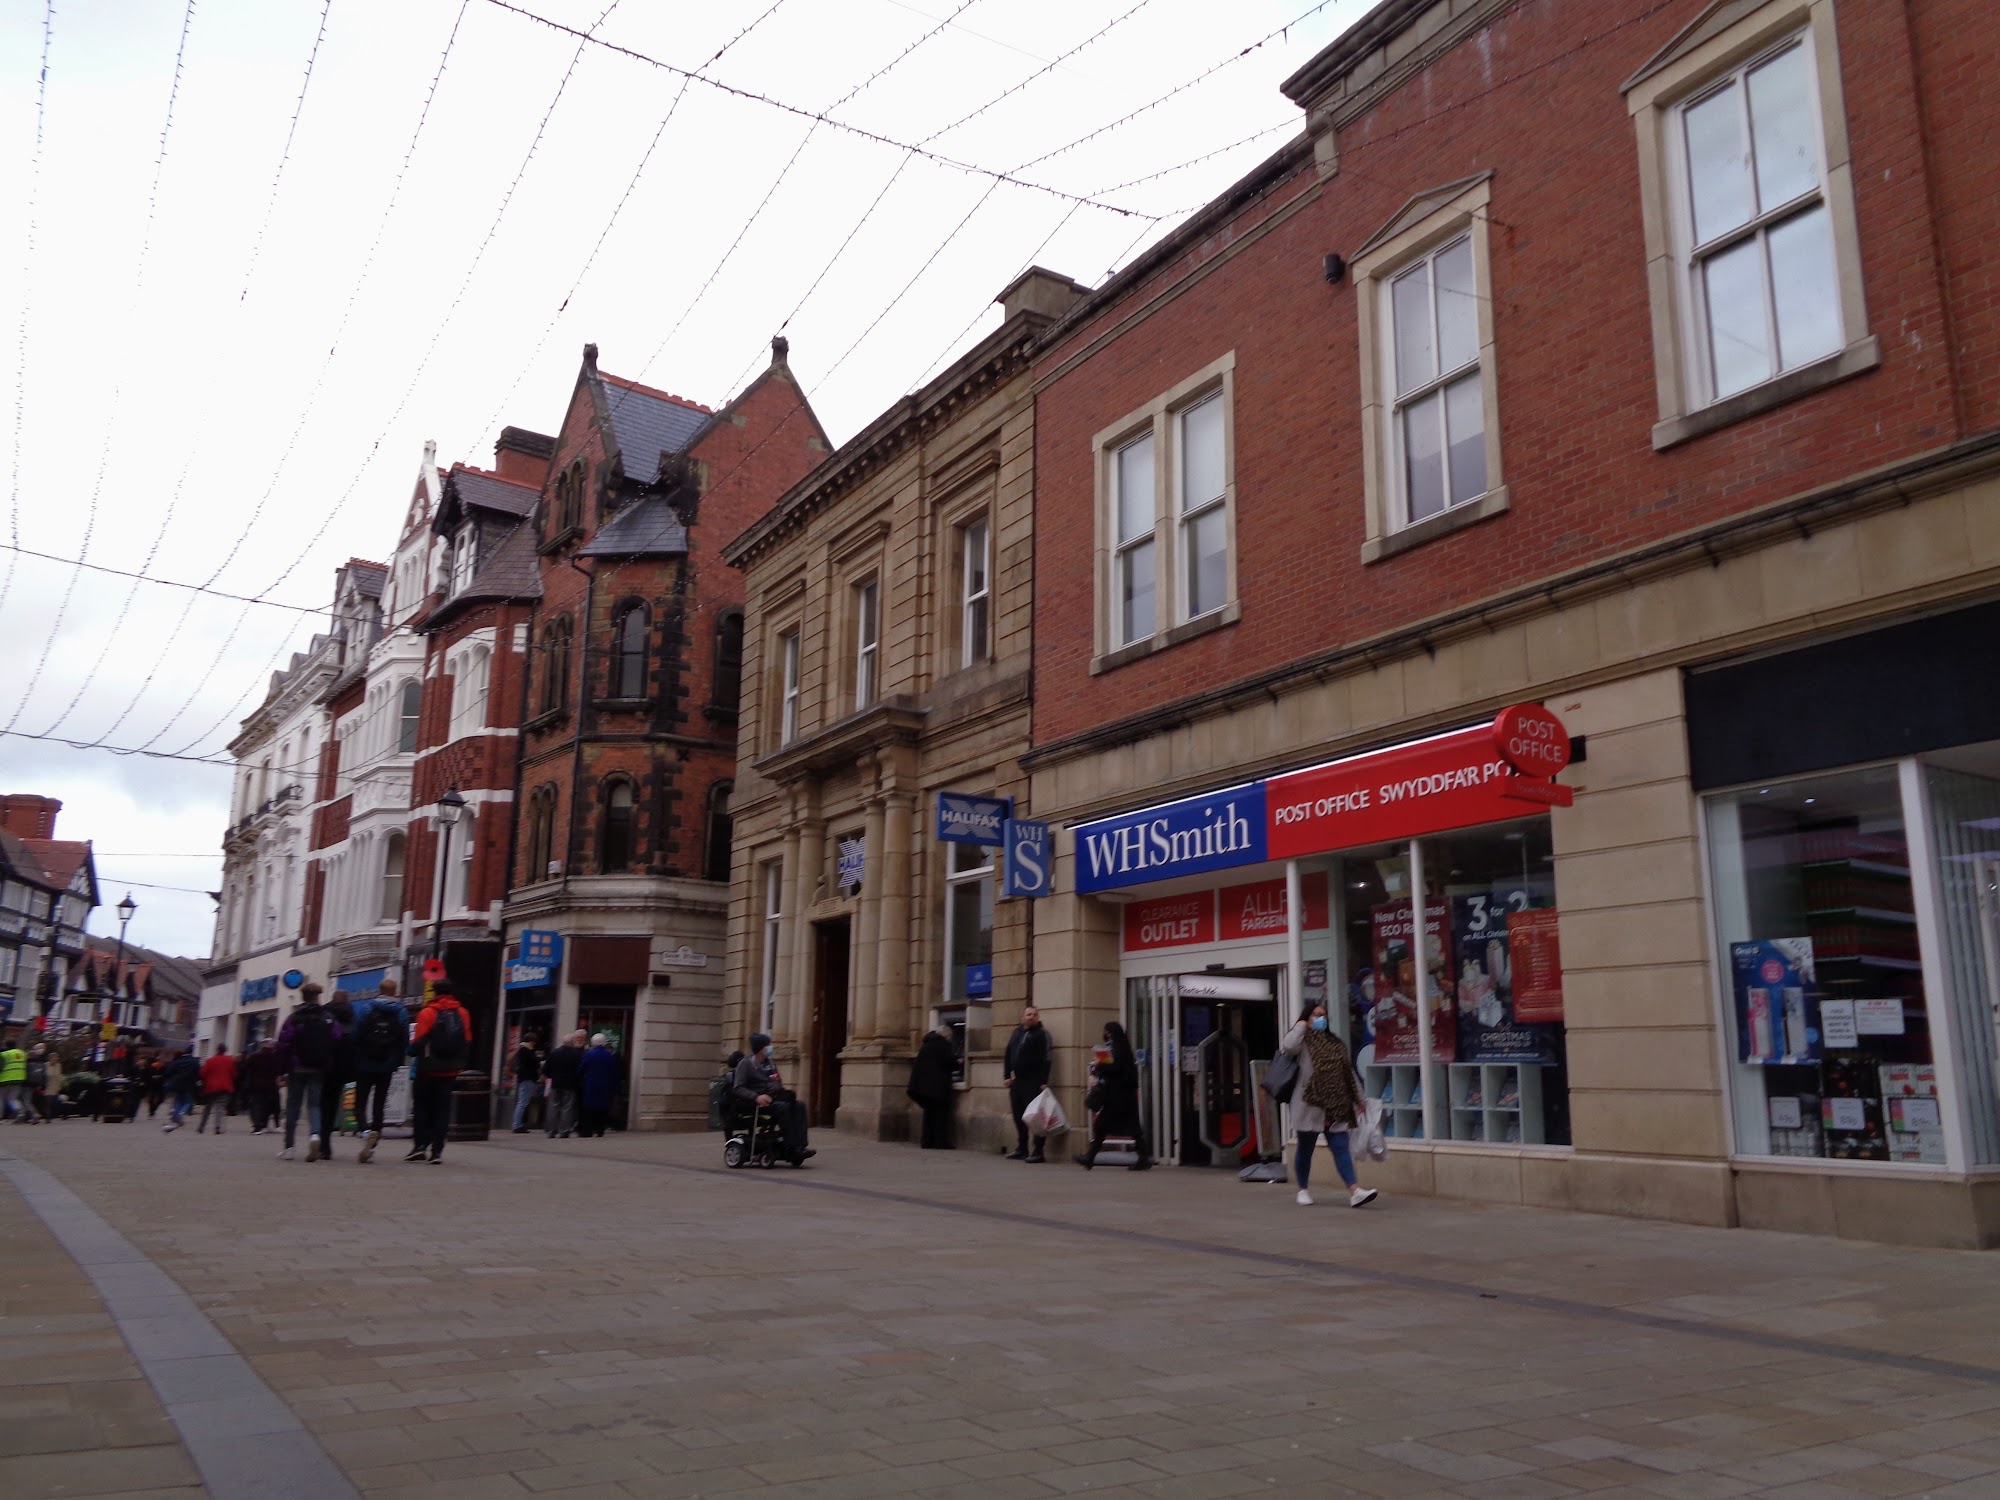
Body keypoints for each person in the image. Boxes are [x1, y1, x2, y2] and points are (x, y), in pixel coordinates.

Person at [1280, 1002, 1379, 1209]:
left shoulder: (1335, 1043)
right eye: (1315, 1015)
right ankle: (1303, 1189)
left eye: (1323, 1015)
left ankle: (1355, 1191)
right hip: (1309, 1105)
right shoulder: (1302, 1043)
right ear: (1307, 1018)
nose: (1320, 1019)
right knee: (1305, 1149)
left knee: (1341, 1148)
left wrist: (1359, 1099)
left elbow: (1348, 1072)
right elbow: (1287, 1047)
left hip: (1336, 1105)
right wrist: (1300, 1026)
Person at [406, 980, 472, 1164]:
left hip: (428, 1069)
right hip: (450, 1070)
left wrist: (410, 1051)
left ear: (435, 992)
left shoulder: (428, 1012)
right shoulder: (463, 1013)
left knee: (422, 1107)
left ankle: (420, 1146)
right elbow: (467, 1040)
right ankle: (437, 1151)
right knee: (443, 1110)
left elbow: (419, 1041)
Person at [1076, 1020, 1152, 1171]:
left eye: (1108, 1032)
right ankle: (1143, 1158)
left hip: (1118, 1096)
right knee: (1133, 1128)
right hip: (1125, 1095)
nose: (1106, 1035)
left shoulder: (1118, 1048)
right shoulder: (1122, 1047)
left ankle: (1090, 1158)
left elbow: (1115, 1068)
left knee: (1101, 1125)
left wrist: (1100, 1065)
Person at [276, 983, 340, 1161]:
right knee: (314, 1105)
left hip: (297, 1067)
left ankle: (289, 1147)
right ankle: (315, 1135)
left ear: (302, 996)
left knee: (293, 1106)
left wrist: (282, 1071)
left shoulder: (294, 1018)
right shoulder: (328, 1018)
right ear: (318, 996)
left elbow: (283, 1045)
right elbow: (336, 1039)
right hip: (319, 1067)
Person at [347, 980, 408, 1162]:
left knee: (360, 1102)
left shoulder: (366, 1009)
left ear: (380, 991)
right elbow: (404, 1039)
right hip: (387, 1064)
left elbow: (356, 1035)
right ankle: (373, 1141)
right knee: (379, 1104)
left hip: (365, 1062)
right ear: (394, 991)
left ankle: (365, 1131)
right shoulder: (401, 1012)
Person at [732, 1032, 813, 1164]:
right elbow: (738, 1088)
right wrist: (756, 1097)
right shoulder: (746, 1064)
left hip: (775, 1098)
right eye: (768, 1045)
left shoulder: (770, 1063)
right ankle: (791, 1146)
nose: (771, 1047)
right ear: (760, 1048)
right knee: (784, 1109)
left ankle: (801, 1145)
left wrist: (785, 1093)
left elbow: (777, 1082)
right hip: (758, 1102)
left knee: (799, 1105)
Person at [1003, 1005, 1053, 1162]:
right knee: (1019, 1116)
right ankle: (1022, 1148)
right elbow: (1008, 1053)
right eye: (1028, 1014)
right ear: (1023, 1017)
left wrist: (1044, 1081)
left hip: (1034, 1081)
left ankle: (1038, 1150)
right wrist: (1006, 1075)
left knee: (1035, 1117)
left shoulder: (1042, 1034)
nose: (1030, 1017)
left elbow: (1047, 1058)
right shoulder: (1017, 1033)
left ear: (1038, 1017)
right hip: (1017, 1081)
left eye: (1034, 1015)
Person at [317, 994, 359, 1161]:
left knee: (322, 1103)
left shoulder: (324, 1014)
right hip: (344, 1066)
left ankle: (323, 1143)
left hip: (324, 1065)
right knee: (335, 1101)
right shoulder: (353, 1015)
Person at [906, 1026, 957, 1150]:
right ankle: (941, 1142)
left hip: (924, 1089)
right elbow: (949, 1063)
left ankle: (927, 1141)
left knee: (928, 1116)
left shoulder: (927, 1044)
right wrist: (958, 1062)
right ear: (947, 1036)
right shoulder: (943, 1045)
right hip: (938, 1088)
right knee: (940, 1116)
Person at [542, 1030, 585, 1139]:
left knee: (553, 1106)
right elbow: (580, 1069)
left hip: (556, 1083)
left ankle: (552, 1130)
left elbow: (546, 1069)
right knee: (568, 1107)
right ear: (571, 1042)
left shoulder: (554, 1053)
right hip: (570, 1084)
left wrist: (552, 1076)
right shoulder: (576, 1054)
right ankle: (564, 1130)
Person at [577, 1034, 619, 1138]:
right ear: (604, 1043)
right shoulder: (609, 1055)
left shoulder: (589, 1054)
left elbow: (582, 1068)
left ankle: (588, 1131)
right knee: (603, 1108)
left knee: (589, 1109)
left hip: (591, 1084)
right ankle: (600, 1130)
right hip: (605, 1085)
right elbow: (614, 1071)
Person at [237, 1039, 283, 1135]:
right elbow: (279, 1071)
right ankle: (264, 1124)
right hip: (270, 1086)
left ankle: (257, 1126)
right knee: (268, 1106)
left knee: (256, 1105)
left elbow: (244, 1068)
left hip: (256, 1085)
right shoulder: (275, 1057)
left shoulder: (254, 1056)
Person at [196, 1045, 237, 1134]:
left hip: (211, 1087)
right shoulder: (230, 1061)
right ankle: (217, 1127)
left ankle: (201, 1127)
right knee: (220, 1107)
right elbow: (234, 1074)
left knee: (207, 1108)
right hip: (225, 1086)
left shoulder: (210, 1060)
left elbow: (203, 1074)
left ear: (217, 1050)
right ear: (225, 1051)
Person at [160, 1048, 202, 1131]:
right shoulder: (195, 1063)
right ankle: (181, 1113)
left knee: (178, 1101)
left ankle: (176, 1115)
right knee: (188, 1101)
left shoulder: (177, 1062)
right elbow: (199, 1074)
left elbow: (168, 1072)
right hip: (188, 1085)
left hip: (176, 1084)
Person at [509, 1032, 542, 1133]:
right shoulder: (525, 1050)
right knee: (523, 1102)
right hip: (527, 1079)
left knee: (523, 1102)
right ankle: (517, 1125)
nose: (534, 1044)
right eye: (534, 1042)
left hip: (524, 1078)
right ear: (531, 1041)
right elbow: (531, 1063)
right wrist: (538, 1060)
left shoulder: (523, 1050)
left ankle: (518, 1124)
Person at [0, 1039, 29, 1123]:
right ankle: (20, 1111)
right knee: (12, 1099)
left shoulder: (3, 1054)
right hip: (18, 1079)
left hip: (4, 1080)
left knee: (1, 1099)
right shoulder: (22, 1053)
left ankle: (0, 1116)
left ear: (6, 1046)